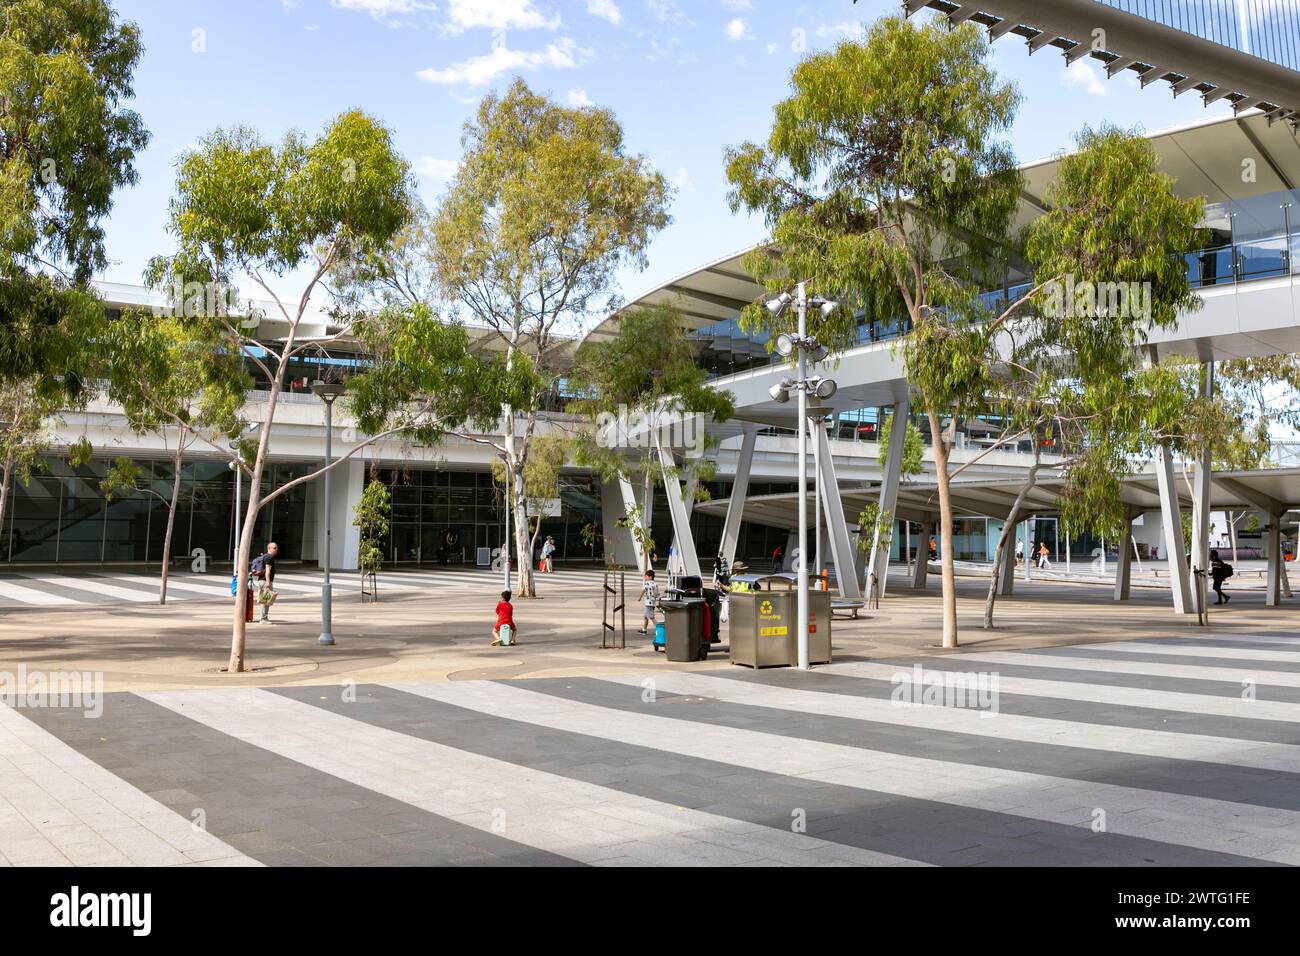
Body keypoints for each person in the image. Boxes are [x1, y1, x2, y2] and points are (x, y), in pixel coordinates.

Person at [252, 542, 279, 623]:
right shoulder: (269, 558)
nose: (276, 549)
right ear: (269, 548)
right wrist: (268, 582)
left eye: (276, 547)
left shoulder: (265, 557)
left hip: (262, 581)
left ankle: (263, 617)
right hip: (265, 581)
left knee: (264, 600)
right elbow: (268, 571)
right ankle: (263, 619)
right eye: (274, 548)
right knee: (266, 600)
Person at [639, 569, 659, 635]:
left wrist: (640, 597)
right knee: (645, 616)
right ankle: (644, 629)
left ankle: (658, 630)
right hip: (653, 602)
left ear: (650, 577)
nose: (645, 578)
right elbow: (657, 593)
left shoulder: (647, 583)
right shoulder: (655, 584)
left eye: (646, 576)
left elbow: (644, 590)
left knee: (651, 617)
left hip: (648, 602)